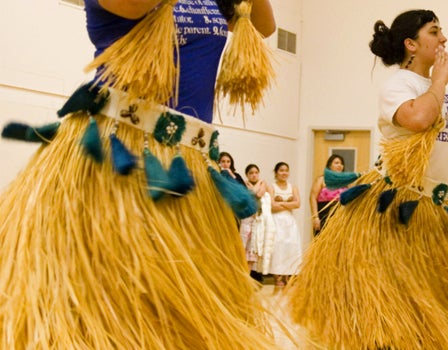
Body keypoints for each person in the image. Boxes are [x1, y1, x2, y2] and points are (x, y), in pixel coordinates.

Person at [0, 0, 278, 348]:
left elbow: (263, 26)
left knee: (184, 314)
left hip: (189, 168)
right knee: (116, 304)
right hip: (121, 157)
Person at [288, 9, 448, 349]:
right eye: (434, 32)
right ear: (411, 44)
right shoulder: (400, 84)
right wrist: (439, 82)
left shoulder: (439, 90)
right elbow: (417, 118)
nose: (444, 39)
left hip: (432, 208)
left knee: (432, 305)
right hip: (396, 208)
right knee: (396, 303)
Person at [268, 162, 302, 292]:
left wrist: (280, 202)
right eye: (281, 170)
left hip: (289, 221)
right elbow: (272, 205)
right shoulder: (271, 187)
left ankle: (289, 275)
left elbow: (298, 204)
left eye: (286, 170)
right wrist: (288, 203)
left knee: (290, 247)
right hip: (276, 220)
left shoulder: (293, 187)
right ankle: (278, 277)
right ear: (276, 172)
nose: (284, 173)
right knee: (277, 247)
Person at [240, 164, 273, 283]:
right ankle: (242, 278)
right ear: (247, 175)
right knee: (243, 249)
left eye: (256, 173)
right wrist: (258, 185)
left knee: (252, 252)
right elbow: (254, 193)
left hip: (258, 221)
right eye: (251, 173)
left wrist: (259, 184)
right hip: (246, 220)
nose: (254, 175)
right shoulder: (244, 185)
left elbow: (258, 194)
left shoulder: (263, 184)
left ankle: (248, 279)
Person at [309, 154, 347, 236]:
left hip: (340, 218)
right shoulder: (321, 179)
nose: (339, 165)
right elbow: (312, 198)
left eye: (341, 163)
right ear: (329, 166)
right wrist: (315, 217)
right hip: (324, 216)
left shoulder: (344, 182)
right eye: (336, 163)